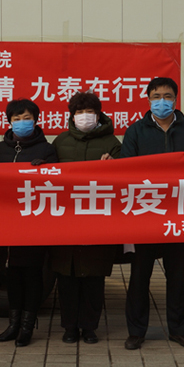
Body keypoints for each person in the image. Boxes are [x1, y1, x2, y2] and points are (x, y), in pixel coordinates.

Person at [118, 77, 184, 350]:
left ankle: (179, 330)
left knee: (177, 276)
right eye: (156, 96)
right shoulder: (135, 131)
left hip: (178, 216)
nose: (162, 101)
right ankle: (136, 331)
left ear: (175, 99)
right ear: (148, 99)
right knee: (139, 277)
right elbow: (126, 170)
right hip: (145, 215)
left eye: (167, 96)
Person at [51, 91, 122, 344]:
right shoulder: (60, 141)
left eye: (89, 112)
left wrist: (113, 166)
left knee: (94, 277)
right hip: (66, 221)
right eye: (79, 112)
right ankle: (69, 327)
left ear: (98, 115)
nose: (84, 116)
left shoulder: (112, 143)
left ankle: (90, 327)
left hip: (97, 220)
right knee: (66, 278)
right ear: (72, 116)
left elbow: (125, 179)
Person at [0, 98, 58, 347]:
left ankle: (28, 326)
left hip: (34, 223)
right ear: (9, 121)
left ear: (36, 120)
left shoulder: (46, 149)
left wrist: (45, 170)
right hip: (5, 223)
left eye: (26, 118)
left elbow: (56, 185)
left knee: (32, 274)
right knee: (11, 274)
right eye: (16, 119)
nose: (21, 123)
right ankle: (13, 324)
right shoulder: (0, 149)